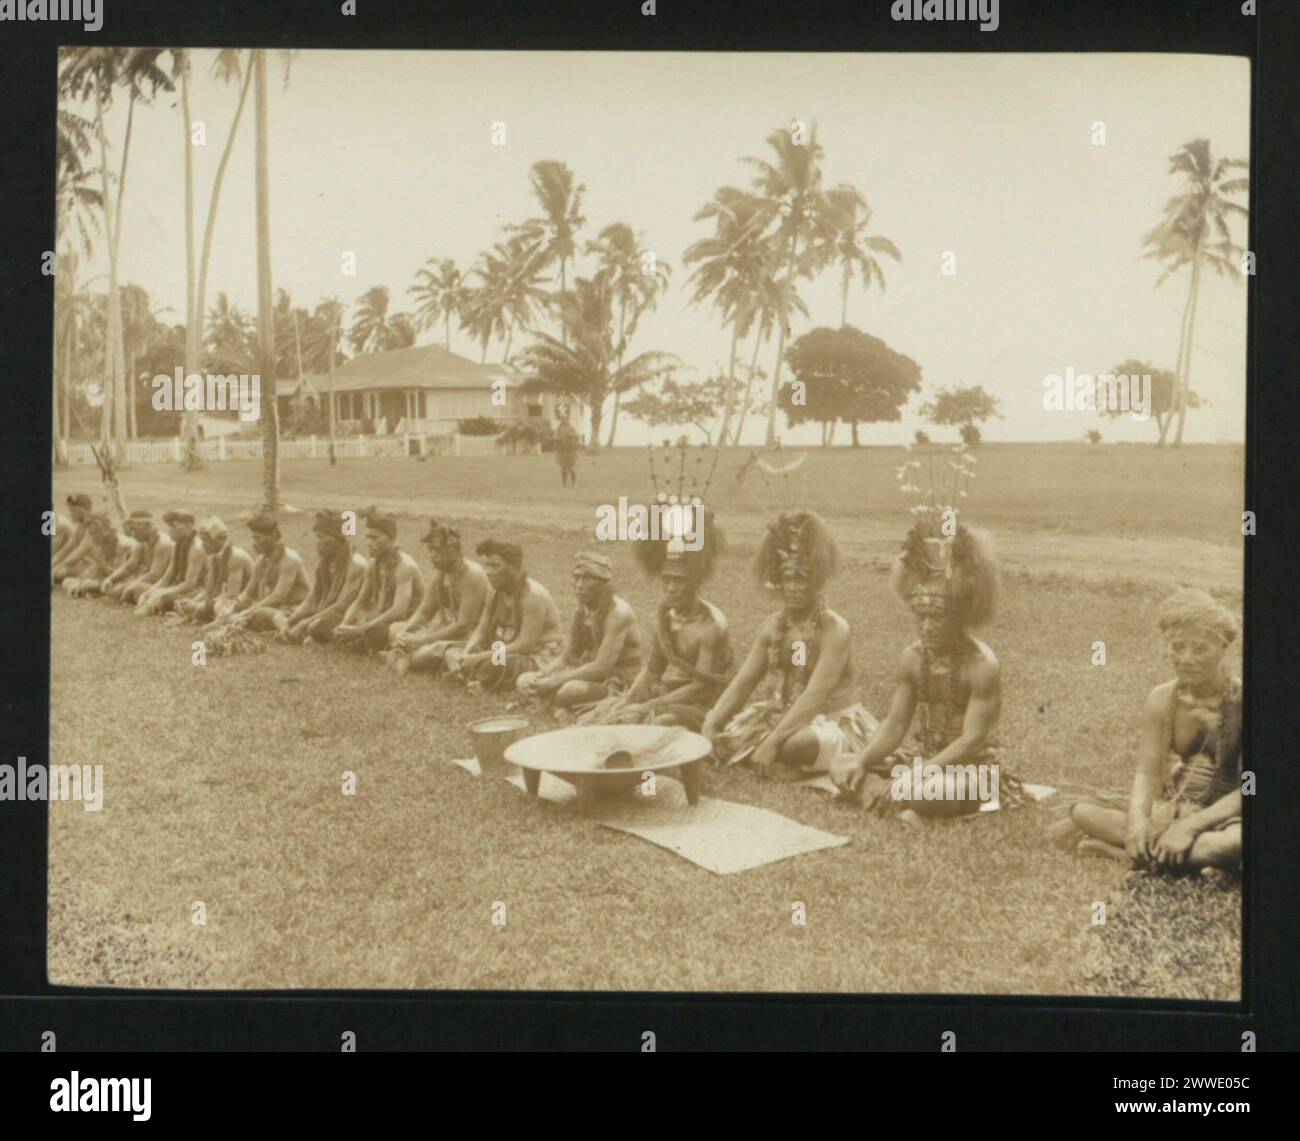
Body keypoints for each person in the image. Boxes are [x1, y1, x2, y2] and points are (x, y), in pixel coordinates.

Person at [830, 514, 1016, 819]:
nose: (926, 626)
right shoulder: (913, 658)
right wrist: (863, 761)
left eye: (937, 616)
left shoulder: (983, 665)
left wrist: (918, 774)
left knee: (929, 791)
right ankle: (895, 797)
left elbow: (971, 741)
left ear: (959, 616)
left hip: (972, 772)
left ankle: (889, 798)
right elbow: (896, 724)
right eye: (920, 615)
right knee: (841, 764)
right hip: (923, 761)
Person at [1056, 588, 1242, 874]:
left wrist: (1189, 828)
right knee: (1083, 812)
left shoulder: (1243, 701)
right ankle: (1191, 862)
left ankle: (1125, 853)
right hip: (1174, 804)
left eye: (1200, 649)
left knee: (1229, 844)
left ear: (1223, 649)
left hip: (1228, 813)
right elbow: (1147, 772)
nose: (1186, 658)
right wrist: (1138, 823)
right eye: (1178, 647)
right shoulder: (1162, 698)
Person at [702, 511, 873, 779]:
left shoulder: (835, 630)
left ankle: (785, 758)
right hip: (782, 715)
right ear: (777, 581)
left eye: (801, 578)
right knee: (726, 739)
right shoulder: (773, 626)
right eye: (787, 578)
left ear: (815, 581)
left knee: (796, 744)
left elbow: (814, 697)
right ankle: (783, 762)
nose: (793, 587)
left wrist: (772, 742)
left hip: (831, 722)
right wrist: (711, 725)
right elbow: (743, 683)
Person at [579, 509, 731, 731]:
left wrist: (649, 706)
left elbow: (702, 689)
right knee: (611, 712)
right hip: (671, 694)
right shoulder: (666, 616)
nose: (671, 588)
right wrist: (626, 701)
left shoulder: (711, 625)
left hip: (707, 704)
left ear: (696, 581)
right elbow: (652, 671)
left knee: (658, 722)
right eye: (667, 580)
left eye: (679, 581)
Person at [517, 551, 642, 712]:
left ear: (603, 583)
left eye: (587, 578)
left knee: (570, 690)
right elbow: (566, 657)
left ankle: (560, 701)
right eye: (576, 577)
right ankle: (559, 701)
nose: (579, 584)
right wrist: (543, 674)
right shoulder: (584, 609)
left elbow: (601, 668)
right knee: (524, 680)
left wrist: (554, 681)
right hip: (588, 673)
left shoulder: (618, 613)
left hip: (617, 679)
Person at [445, 538, 562, 691]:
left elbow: (525, 645)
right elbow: (482, 630)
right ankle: (471, 673)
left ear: (515, 567)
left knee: (495, 664)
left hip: (536, 656)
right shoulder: (494, 591)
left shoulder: (533, 596)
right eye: (486, 565)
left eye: (495, 565)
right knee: (452, 652)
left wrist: (477, 658)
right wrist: (466, 653)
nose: (488, 572)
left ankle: (476, 678)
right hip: (502, 648)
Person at [386, 520, 490, 674]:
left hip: (471, 638)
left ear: (453, 549)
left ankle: (412, 658)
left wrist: (420, 640)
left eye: (437, 550)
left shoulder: (472, 575)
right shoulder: (441, 573)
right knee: (395, 629)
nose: (432, 555)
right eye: (430, 550)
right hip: (444, 630)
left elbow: (463, 625)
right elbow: (425, 612)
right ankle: (411, 656)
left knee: (431, 650)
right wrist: (405, 631)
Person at [333, 508, 426, 652]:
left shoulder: (405, 566)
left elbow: (398, 611)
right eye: (368, 537)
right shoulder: (373, 564)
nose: (369, 542)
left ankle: (367, 642)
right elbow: (359, 601)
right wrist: (344, 626)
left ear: (391, 538)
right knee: (330, 625)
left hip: (404, 625)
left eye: (375, 538)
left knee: (375, 634)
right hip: (379, 619)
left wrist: (358, 630)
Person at [279, 509, 369, 644]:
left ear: (338, 538)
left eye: (322, 538)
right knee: (281, 616)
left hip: (349, 617)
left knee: (315, 626)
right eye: (317, 538)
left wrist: (303, 623)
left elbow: (341, 606)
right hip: (324, 613)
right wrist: (291, 620)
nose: (317, 543)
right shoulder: (325, 562)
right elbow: (311, 599)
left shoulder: (356, 565)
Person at [223, 513, 311, 630]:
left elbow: (279, 597)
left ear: (273, 535)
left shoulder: (289, 559)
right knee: (225, 609)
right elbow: (248, 592)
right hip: (274, 608)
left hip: (294, 609)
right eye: (254, 538)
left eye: (258, 538)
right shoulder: (262, 560)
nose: (255, 543)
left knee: (257, 613)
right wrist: (233, 606)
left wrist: (248, 612)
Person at [175, 516, 255, 624]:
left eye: (205, 540)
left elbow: (232, 594)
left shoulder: (236, 557)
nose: (202, 544)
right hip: (230, 600)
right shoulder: (215, 556)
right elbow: (210, 589)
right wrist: (194, 601)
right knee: (192, 605)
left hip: (249, 600)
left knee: (209, 608)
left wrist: (200, 605)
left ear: (217, 540)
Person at [137, 510, 207, 615]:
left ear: (189, 526)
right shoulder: (177, 545)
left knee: (165, 598)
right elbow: (167, 578)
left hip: (198, 592)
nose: (170, 530)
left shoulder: (197, 548)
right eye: (169, 526)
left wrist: (161, 593)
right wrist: (149, 592)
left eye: (174, 526)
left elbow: (190, 584)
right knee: (141, 591)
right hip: (180, 588)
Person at [61, 513, 138, 598]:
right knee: (67, 581)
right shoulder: (100, 542)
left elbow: (120, 575)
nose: (92, 537)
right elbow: (94, 571)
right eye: (91, 533)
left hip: (123, 581)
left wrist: (102, 565)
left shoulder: (122, 545)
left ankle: (87, 591)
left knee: (87, 584)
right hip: (105, 579)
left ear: (106, 530)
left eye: (94, 533)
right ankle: (79, 590)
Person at [113, 511, 175, 605]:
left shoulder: (162, 543)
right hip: (148, 582)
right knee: (115, 589)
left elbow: (155, 575)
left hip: (164, 584)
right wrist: (111, 579)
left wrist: (132, 584)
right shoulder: (141, 541)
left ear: (148, 526)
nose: (132, 534)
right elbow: (130, 566)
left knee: (135, 589)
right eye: (131, 530)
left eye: (135, 529)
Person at [51, 493, 96, 583]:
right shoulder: (81, 525)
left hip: (96, 566)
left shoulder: (94, 525)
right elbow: (66, 549)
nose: (71, 514)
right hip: (87, 564)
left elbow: (78, 553)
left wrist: (55, 568)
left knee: (59, 573)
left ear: (86, 508)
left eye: (73, 511)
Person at [555, 417, 580, 488]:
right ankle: (564, 483)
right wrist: (559, 439)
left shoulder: (572, 428)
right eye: (563, 420)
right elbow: (555, 438)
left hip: (571, 450)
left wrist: (571, 435)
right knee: (563, 467)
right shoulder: (558, 429)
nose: (565, 421)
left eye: (566, 419)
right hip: (562, 450)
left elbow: (577, 436)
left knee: (571, 467)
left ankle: (574, 483)